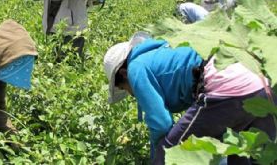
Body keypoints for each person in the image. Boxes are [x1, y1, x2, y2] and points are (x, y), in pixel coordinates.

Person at [103, 32, 276, 164]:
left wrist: (156, 157)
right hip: (262, 84)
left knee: (172, 152)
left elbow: (161, 123)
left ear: (124, 73)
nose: (131, 94)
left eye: (124, 88)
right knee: (243, 155)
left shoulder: (136, 68)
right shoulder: (161, 51)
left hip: (228, 88)